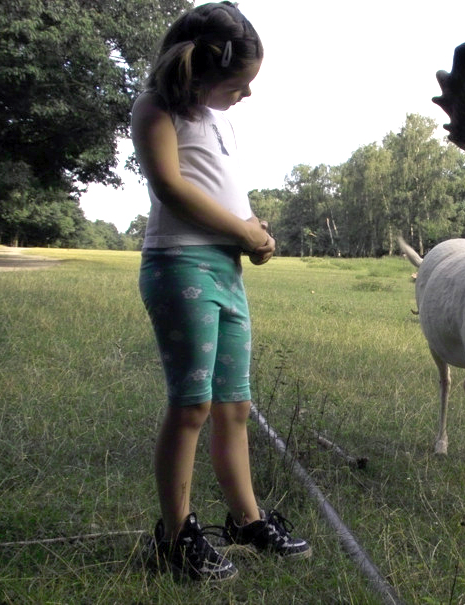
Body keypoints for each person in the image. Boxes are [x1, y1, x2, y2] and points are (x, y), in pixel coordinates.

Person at [132, 1, 311, 581]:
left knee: (235, 404)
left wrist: (254, 230)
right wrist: (239, 230)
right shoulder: (156, 107)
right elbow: (170, 186)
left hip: (226, 272)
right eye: (241, 83)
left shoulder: (220, 120)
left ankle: (245, 519)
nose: (248, 95)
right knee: (192, 406)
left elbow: (224, 189)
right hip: (180, 267)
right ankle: (176, 534)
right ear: (199, 69)